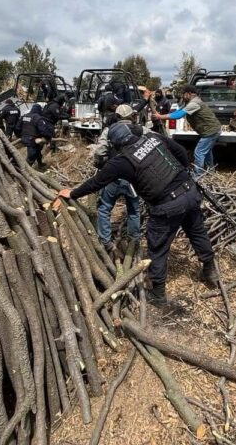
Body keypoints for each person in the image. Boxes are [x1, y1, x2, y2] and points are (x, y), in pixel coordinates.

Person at [57, 123, 219, 306]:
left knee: (157, 247)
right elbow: (181, 151)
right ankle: (209, 269)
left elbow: (97, 182)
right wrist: (183, 173)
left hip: (167, 205)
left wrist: (72, 193)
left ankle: (158, 295)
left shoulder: (122, 161)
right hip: (190, 192)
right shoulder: (154, 138)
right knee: (197, 232)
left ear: (114, 144)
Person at [92, 104, 149, 254]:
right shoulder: (142, 130)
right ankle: (134, 240)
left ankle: (106, 241)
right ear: (132, 115)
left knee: (104, 209)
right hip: (134, 177)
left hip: (113, 176)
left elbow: (99, 152)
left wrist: (99, 163)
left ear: (116, 116)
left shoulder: (108, 131)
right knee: (133, 210)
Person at [153, 85, 221, 174]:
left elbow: (179, 115)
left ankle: (198, 175)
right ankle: (211, 171)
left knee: (199, 152)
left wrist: (160, 116)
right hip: (209, 131)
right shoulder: (189, 102)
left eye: (183, 94)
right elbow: (177, 111)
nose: (182, 96)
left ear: (188, 94)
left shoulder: (194, 103)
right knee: (207, 152)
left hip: (211, 131)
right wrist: (163, 115)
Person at [19, 104, 55, 168]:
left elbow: (17, 127)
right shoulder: (38, 118)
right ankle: (26, 170)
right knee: (32, 156)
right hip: (33, 140)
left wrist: (21, 135)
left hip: (24, 138)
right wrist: (49, 137)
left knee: (38, 152)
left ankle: (40, 164)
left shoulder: (24, 116)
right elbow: (44, 131)